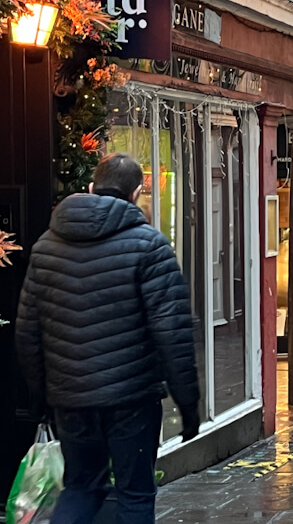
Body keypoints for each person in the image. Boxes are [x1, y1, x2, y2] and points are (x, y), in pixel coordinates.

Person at [16, 153, 200, 524]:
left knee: (81, 486)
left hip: (71, 398)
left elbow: (27, 331)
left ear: (90, 188)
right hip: (132, 398)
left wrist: (42, 397)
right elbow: (172, 332)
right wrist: (189, 405)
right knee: (135, 493)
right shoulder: (150, 246)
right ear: (136, 193)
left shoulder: (46, 247)